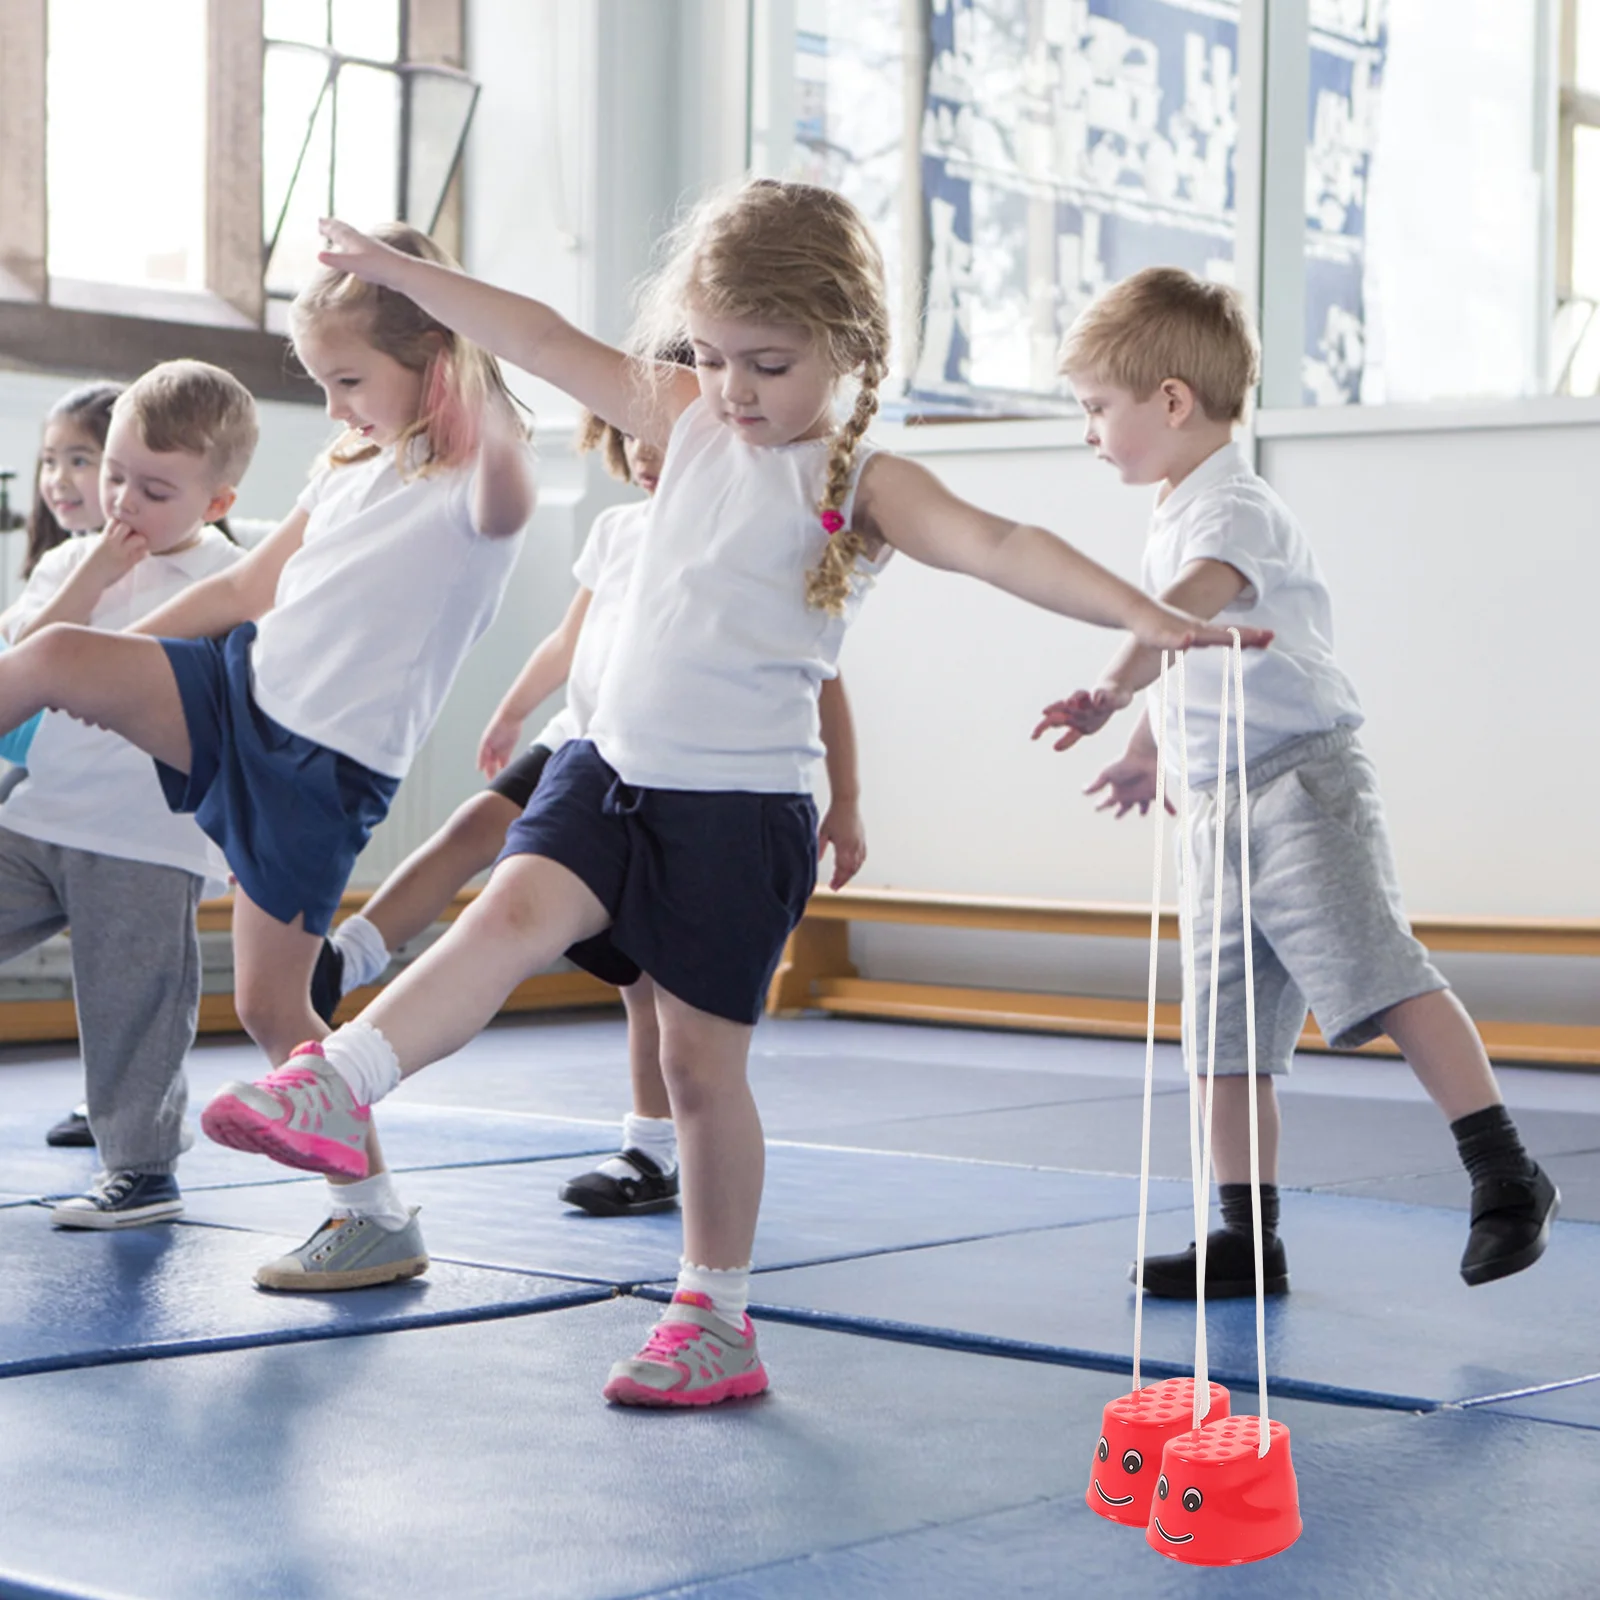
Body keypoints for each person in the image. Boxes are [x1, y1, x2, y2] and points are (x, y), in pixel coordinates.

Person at [199, 181, 1263, 1408]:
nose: (733, 388)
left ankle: (714, 1314)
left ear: (847, 348)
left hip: (739, 810)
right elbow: (537, 335)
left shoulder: (862, 482)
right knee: (501, 916)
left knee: (702, 1072)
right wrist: (407, 278)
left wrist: (1149, 619)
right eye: (710, 356)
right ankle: (339, 1082)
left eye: (766, 362)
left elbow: (1003, 544)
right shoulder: (687, 416)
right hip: (609, 770)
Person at [0, 224, 536, 1284]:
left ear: (436, 358)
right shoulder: (350, 463)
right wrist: (119, 659)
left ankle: (375, 1216)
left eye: (347, 379)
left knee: (268, 1006)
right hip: (241, 689)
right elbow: (247, 591)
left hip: (319, 767)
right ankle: (66, 671)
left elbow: (511, 491)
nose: (332, 407)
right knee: (57, 652)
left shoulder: (478, 478)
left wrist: (465, 333)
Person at [1038, 265, 1558, 1297]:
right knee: (1221, 1040)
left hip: (1298, 791)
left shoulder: (1236, 506)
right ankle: (1244, 1235)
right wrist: (1148, 747)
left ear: (1172, 400)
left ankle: (1504, 1169)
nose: (1088, 430)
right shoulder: (1176, 508)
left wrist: (1106, 684)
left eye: (1098, 408)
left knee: (1381, 975)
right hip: (1218, 808)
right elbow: (1189, 649)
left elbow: (1180, 615)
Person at [312, 409, 870, 1217]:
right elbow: (569, 641)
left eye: (665, 443)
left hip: (678, 777)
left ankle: (648, 1149)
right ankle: (350, 955)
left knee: (649, 983)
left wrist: (846, 802)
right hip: (582, 744)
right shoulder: (616, 531)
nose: (647, 457)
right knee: (473, 830)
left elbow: (824, 681)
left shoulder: (748, 542)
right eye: (635, 439)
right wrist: (510, 712)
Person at [0, 362, 251, 1224]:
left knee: (132, 1005)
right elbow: (28, 655)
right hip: (37, 817)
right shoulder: (70, 559)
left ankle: (142, 1167)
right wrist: (95, 569)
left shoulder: (229, 581)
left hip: (146, 837)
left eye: (152, 489)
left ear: (215, 502)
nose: (121, 502)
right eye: (113, 475)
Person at [0, 380, 125, 1149]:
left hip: (118, 811)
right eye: (51, 459)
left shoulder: (146, 568)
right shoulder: (53, 567)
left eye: (82, 458)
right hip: (35, 786)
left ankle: (124, 1115)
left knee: (125, 973)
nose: (59, 479)